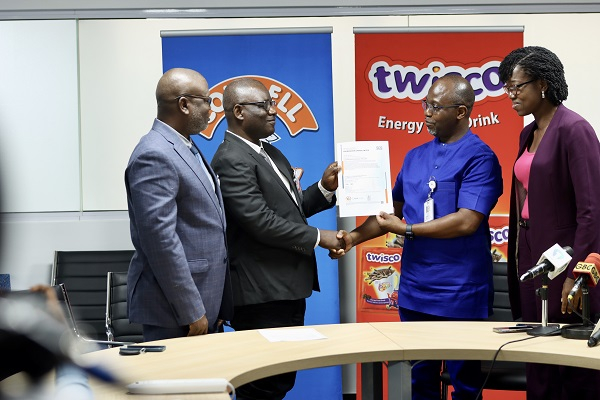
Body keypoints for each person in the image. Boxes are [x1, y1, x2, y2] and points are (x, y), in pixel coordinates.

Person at [335, 75, 503, 400]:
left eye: (435, 107)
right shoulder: (414, 156)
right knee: (419, 382)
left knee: (465, 385)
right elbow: (389, 214)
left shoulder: (481, 157)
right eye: (425, 104)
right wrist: (351, 239)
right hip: (415, 291)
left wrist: (407, 229)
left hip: (460, 293)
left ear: (461, 111)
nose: (426, 112)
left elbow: (467, 221)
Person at [210, 77, 345, 400]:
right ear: (239, 111)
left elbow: (291, 210)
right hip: (260, 294)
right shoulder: (230, 158)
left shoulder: (270, 152)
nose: (274, 111)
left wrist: (325, 188)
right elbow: (259, 222)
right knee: (262, 385)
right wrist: (320, 237)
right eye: (265, 105)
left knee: (279, 380)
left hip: (283, 288)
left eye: (273, 103)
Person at [499, 46, 600, 400]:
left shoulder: (575, 129)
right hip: (532, 252)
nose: (510, 94)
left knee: (568, 358)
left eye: (516, 86)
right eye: (506, 87)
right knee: (536, 350)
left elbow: (592, 210)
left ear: (542, 84)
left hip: (567, 257)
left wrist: (576, 272)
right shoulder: (527, 133)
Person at [125, 68, 232, 342]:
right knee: (179, 386)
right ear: (184, 104)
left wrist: (217, 303)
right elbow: (160, 241)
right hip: (176, 311)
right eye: (206, 101)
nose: (211, 109)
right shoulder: (154, 153)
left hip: (203, 301)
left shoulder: (185, 146)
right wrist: (191, 310)